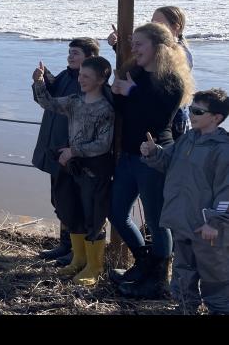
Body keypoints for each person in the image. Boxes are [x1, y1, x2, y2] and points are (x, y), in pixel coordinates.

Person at [109, 22, 195, 298]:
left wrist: (131, 92)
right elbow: (122, 109)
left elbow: (158, 118)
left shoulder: (171, 80)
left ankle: (158, 281)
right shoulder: (134, 72)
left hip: (155, 157)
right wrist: (118, 91)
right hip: (128, 156)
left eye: (139, 43)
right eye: (132, 43)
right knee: (116, 212)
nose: (133, 48)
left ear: (158, 47)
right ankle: (144, 264)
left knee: (158, 222)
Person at [140, 88, 229, 314]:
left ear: (216, 118)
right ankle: (185, 308)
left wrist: (215, 223)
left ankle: (220, 310)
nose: (192, 114)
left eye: (198, 111)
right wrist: (153, 152)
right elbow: (167, 163)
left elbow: (226, 192)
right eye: (191, 109)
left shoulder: (223, 150)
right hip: (182, 221)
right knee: (183, 270)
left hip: (207, 229)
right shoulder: (188, 139)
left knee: (214, 276)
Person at [32, 55, 115, 286]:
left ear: (101, 79)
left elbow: (103, 144)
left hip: (94, 169)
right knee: (71, 211)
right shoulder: (75, 100)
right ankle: (78, 260)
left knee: (93, 217)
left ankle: (95, 266)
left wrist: (74, 151)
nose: (80, 79)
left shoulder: (106, 108)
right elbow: (48, 103)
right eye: (80, 75)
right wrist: (39, 83)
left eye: (86, 76)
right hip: (73, 167)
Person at [108, 6, 193, 139]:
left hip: (175, 121)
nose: (154, 26)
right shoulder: (142, 69)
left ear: (176, 27)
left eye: (158, 23)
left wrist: (133, 91)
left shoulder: (179, 58)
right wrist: (120, 45)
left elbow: (158, 109)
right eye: (152, 22)